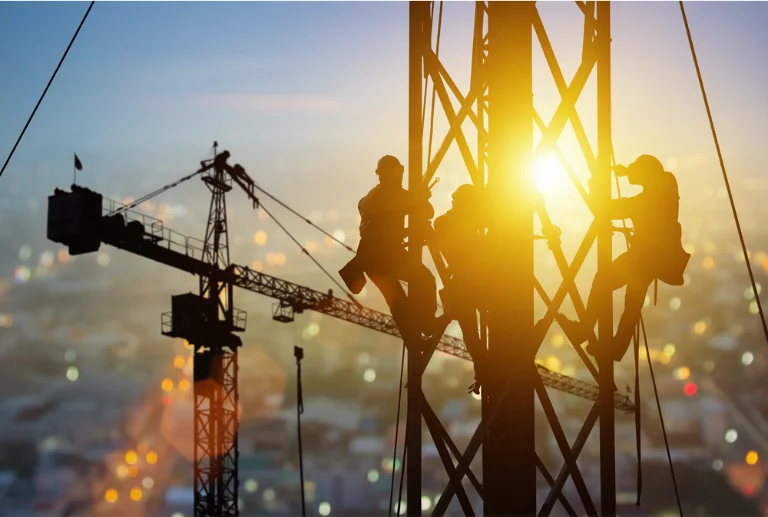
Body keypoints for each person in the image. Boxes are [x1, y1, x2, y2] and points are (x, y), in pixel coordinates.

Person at [560, 154, 690, 361]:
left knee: (603, 281)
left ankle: (584, 331)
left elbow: (603, 209)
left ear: (646, 175)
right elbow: (659, 177)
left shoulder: (643, 202)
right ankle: (615, 346)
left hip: (644, 258)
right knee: (632, 303)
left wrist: (595, 184)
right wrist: (628, 172)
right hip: (654, 259)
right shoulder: (666, 190)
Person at [339, 155, 440, 337]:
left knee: (398, 303)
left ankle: (415, 335)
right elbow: (427, 212)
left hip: (372, 261)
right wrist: (421, 198)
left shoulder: (371, 197)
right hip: (388, 256)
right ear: (396, 173)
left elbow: (383, 223)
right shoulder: (395, 195)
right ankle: (427, 324)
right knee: (425, 279)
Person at [433, 184, 490, 393]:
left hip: (463, 283)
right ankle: (484, 368)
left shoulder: (447, 222)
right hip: (473, 283)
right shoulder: (465, 222)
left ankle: (483, 368)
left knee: (470, 332)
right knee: (478, 328)